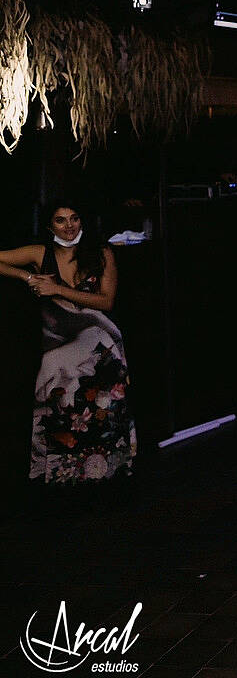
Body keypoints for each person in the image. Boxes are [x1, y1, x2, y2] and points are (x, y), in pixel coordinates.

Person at [0, 201, 137, 483]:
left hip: (100, 340)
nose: (69, 225)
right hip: (58, 342)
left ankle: (107, 477)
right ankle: (63, 480)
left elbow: (106, 301)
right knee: (58, 408)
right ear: (50, 225)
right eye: (61, 220)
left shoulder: (101, 252)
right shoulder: (40, 253)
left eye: (74, 218)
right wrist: (28, 277)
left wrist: (56, 289)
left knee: (101, 414)